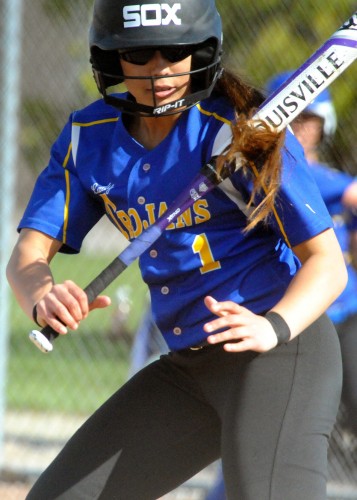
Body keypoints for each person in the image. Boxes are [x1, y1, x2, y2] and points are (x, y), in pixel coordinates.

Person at [6, 1, 347, 498]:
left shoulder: (238, 129)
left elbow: (327, 263)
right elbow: (27, 258)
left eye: (176, 51)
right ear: (112, 58)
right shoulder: (89, 139)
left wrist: (271, 326)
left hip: (279, 350)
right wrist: (43, 296)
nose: (159, 68)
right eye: (139, 54)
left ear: (201, 52)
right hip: (190, 370)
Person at [267, 72, 357, 439]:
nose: (303, 128)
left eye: (312, 120)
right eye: (296, 118)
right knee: (277, 426)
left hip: (346, 309)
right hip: (297, 312)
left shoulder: (327, 174)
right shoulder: (282, 171)